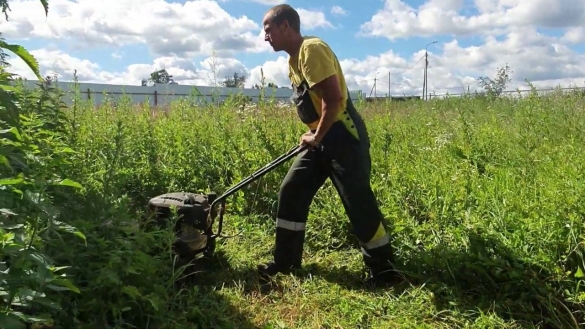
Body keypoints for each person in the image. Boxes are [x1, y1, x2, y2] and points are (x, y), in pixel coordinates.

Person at [258, 4, 399, 286]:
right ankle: (286, 261)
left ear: (285, 26)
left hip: (342, 135)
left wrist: (317, 136)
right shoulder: (292, 60)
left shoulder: (312, 50)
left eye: (268, 30)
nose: (265, 37)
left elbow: (333, 100)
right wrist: (314, 136)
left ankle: (385, 273)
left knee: (357, 200)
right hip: (320, 137)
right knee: (292, 190)